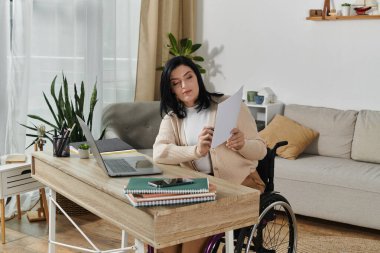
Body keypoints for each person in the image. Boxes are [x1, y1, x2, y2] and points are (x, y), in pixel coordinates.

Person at [152, 56, 267, 253]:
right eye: (176, 83)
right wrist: (195, 151)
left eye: (189, 77)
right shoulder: (172, 119)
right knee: (166, 237)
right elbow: (159, 153)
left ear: (197, 78)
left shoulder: (228, 105)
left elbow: (261, 150)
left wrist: (243, 144)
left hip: (240, 184)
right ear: (171, 89)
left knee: (191, 240)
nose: (185, 85)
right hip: (199, 188)